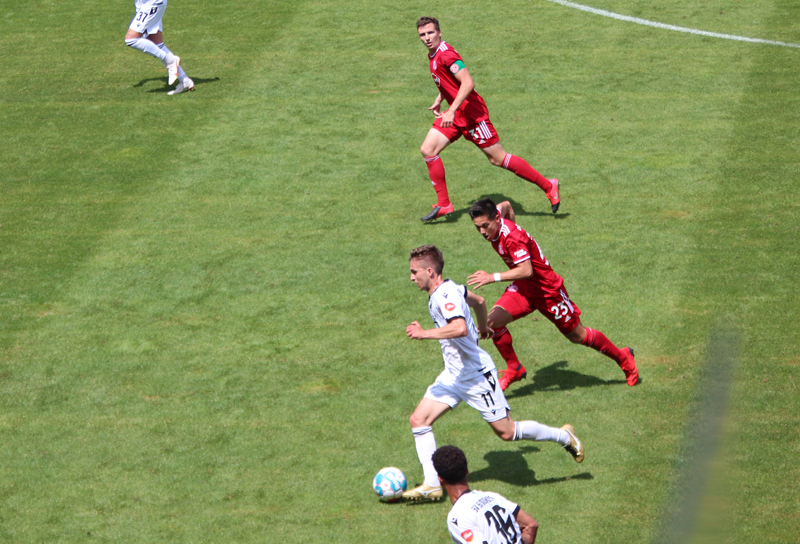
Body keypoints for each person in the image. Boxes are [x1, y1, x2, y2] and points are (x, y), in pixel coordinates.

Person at [403, 245, 584, 502]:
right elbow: (479, 301)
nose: (411, 277)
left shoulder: (445, 296)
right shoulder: (451, 288)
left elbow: (459, 328)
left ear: (430, 271)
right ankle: (432, 484)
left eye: (414, 272)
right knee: (418, 420)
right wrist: (483, 326)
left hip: (476, 376)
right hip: (453, 375)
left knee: (507, 432)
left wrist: (424, 333)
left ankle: (563, 436)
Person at [466, 198, 639, 390]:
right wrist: (514, 223)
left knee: (578, 336)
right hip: (524, 289)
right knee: (492, 323)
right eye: (478, 228)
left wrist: (492, 277)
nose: (482, 232)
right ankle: (514, 368)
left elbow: (526, 270)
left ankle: (624, 358)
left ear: (496, 219)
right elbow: (506, 205)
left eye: (485, 226)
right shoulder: (498, 220)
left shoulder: (512, 238)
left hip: (547, 291)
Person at [415, 17, 560, 222]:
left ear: (439, 32)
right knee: (428, 149)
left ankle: (549, 185)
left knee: (498, 158)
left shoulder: (446, 55)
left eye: (430, 33)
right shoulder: (434, 54)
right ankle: (444, 204)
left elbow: (467, 83)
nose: (427, 38)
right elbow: (448, 81)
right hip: (456, 114)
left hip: (472, 115)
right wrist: (441, 98)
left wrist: (451, 109)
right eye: (422, 34)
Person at [433, 445, 539, 544]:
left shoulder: (457, 517)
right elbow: (531, 525)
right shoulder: (492, 497)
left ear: (440, 480)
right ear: (467, 471)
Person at [125, 0, 194, 95]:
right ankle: (184, 80)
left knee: (131, 39)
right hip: (148, 4)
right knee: (155, 44)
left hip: (152, 4)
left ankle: (170, 60)